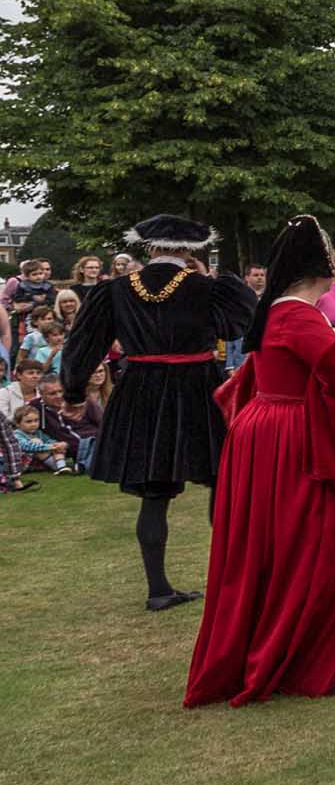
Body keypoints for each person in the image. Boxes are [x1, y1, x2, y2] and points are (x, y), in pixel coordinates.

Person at [186, 215, 335, 708]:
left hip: (269, 432)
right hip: (293, 438)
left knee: (283, 545)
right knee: (322, 545)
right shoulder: (298, 315)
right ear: (318, 266)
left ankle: (314, 649)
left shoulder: (280, 312)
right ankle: (302, 658)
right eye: (332, 257)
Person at [61, 215, 257, 612]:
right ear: (191, 250)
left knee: (154, 494)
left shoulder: (114, 290)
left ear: (148, 248)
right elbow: (244, 323)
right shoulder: (206, 288)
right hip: (197, 388)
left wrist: (74, 390)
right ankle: (231, 585)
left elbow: (83, 344)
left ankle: (158, 588)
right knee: (221, 483)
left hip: (141, 391)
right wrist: (213, 278)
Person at [223, 264, 268, 372]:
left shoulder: (271, 300)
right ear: (247, 277)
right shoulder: (236, 301)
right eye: (256, 275)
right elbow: (230, 332)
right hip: (241, 359)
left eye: (262, 275)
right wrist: (229, 365)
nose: (260, 278)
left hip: (265, 357)